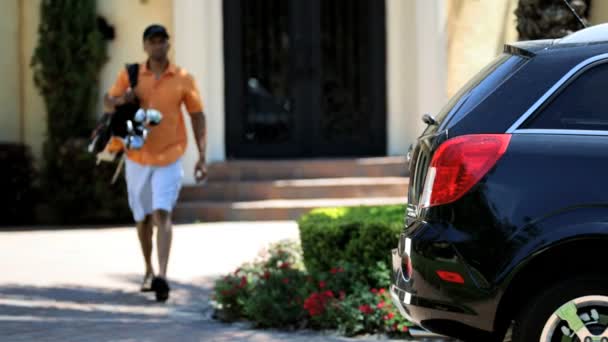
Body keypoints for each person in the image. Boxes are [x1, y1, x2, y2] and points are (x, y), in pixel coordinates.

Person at [104, 24, 208, 302]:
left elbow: (197, 115)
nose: (157, 46)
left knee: (162, 212)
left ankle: (162, 275)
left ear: (168, 45)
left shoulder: (183, 78)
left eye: (162, 41)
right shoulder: (131, 74)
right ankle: (148, 269)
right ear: (145, 45)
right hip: (137, 156)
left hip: (170, 155)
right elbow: (108, 102)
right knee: (142, 217)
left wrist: (201, 156)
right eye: (152, 41)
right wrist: (122, 99)